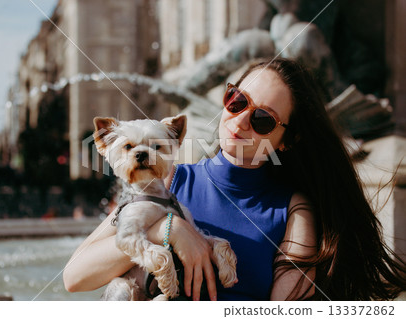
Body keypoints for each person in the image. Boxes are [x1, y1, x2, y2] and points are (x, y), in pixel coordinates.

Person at [63, 58, 406, 301]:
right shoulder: (168, 182)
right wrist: (168, 229)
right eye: (236, 100)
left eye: (262, 119)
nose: (240, 121)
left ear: (286, 140)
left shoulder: (293, 210)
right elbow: (75, 277)